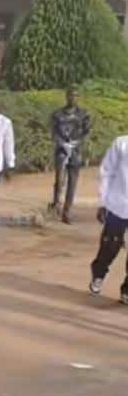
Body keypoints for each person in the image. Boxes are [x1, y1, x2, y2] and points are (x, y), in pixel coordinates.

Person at [89, 134, 128, 305]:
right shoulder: (122, 143)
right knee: (110, 245)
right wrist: (102, 202)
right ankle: (98, 274)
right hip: (118, 203)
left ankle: (127, 290)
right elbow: (107, 171)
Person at [50, 86, 92, 224]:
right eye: (70, 95)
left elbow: (87, 131)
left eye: (76, 95)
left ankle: (67, 212)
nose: (73, 98)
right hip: (61, 151)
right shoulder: (57, 114)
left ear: (79, 97)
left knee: (72, 183)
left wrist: (77, 142)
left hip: (76, 151)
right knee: (59, 180)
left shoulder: (84, 114)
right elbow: (54, 133)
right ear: (66, 96)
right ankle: (56, 204)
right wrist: (62, 143)